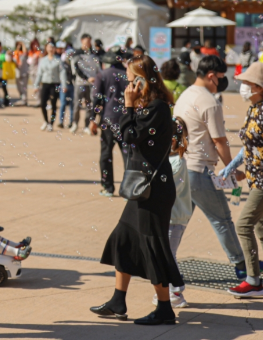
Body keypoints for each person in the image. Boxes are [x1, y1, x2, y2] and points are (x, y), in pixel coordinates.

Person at [91, 56, 183, 325]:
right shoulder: (150, 107)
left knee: (152, 245)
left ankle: (165, 307)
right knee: (124, 238)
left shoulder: (157, 108)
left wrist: (129, 106)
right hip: (144, 188)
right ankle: (118, 300)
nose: (128, 86)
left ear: (144, 80)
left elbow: (129, 136)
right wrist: (132, 106)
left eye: (132, 81)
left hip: (154, 190)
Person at [218, 62, 263, 298]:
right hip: (256, 180)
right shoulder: (254, 109)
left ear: (259, 87)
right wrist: (230, 167)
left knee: (243, 225)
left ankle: (253, 281)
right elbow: (250, 147)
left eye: (247, 83)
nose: (242, 87)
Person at [173, 55, 247, 275]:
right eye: (221, 78)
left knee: (179, 221)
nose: (222, 84)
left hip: (181, 167)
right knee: (222, 219)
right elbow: (219, 141)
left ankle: (166, 260)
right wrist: (233, 168)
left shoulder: (184, 95)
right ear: (211, 76)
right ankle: (243, 267)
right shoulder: (209, 102)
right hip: (199, 170)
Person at [89, 47, 130, 197]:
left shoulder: (103, 75)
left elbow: (97, 99)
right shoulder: (127, 75)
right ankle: (129, 189)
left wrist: (93, 119)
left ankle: (108, 186)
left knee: (106, 154)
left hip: (107, 119)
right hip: (126, 119)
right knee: (127, 155)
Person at [161, 117, 190, 308]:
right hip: (170, 218)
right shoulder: (169, 160)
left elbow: (167, 190)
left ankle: (176, 292)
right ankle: (173, 290)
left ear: (172, 140)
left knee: (168, 257)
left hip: (175, 219)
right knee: (167, 256)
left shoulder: (177, 163)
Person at [70, 34, 101, 133]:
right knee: (77, 104)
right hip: (80, 83)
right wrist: (87, 78)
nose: (88, 43)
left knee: (89, 105)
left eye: (89, 41)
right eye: (86, 41)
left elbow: (97, 68)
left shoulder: (93, 54)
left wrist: (96, 78)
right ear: (81, 40)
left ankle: (87, 125)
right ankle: (75, 123)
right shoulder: (77, 54)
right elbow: (75, 69)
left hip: (91, 84)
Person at [33, 42, 62, 131]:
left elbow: (62, 73)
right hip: (45, 84)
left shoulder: (58, 60)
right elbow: (39, 74)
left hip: (55, 84)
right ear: (46, 48)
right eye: (49, 47)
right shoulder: (43, 60)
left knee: (53, 105)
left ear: (55, 49)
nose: (51, 49)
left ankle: (51, 124)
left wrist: (64, 85)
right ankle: (46, 121)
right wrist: (36, 85)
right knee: (42, 104)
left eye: (52, 47)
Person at [57, 41, 74, 128]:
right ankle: (61, 121)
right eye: (69, 55)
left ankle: (71, 122)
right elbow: (62, 75)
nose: (70, 57)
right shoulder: (63, 64)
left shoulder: (74, 65)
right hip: (64, 86)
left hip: (72, 86)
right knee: (63, 104)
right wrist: (64, 85)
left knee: (72, 105)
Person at [13, 41, 30, 106]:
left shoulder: (24, 53)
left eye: (20, 45)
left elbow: (25, 51)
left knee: (24, 87)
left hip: (24, 72)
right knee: (18, 87)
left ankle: (24, 100)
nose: (19, 46)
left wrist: (23, 44)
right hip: (17, 73)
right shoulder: (15, 53)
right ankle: (21, 98)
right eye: (18, 45)